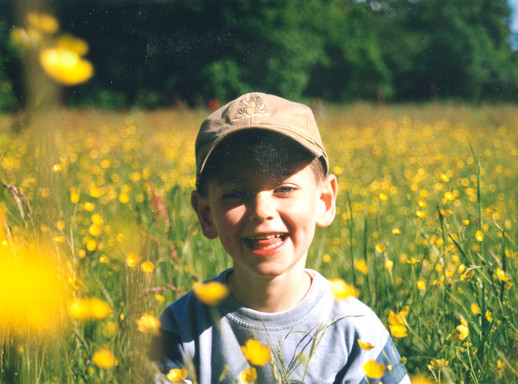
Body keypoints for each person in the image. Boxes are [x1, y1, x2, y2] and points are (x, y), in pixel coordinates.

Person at [151, 92, 408, 384]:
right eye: (235, 193)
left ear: (324, 201)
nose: (262, 211)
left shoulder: (357, 334)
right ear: (207, 215)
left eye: (284, 188)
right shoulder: (180, 330)